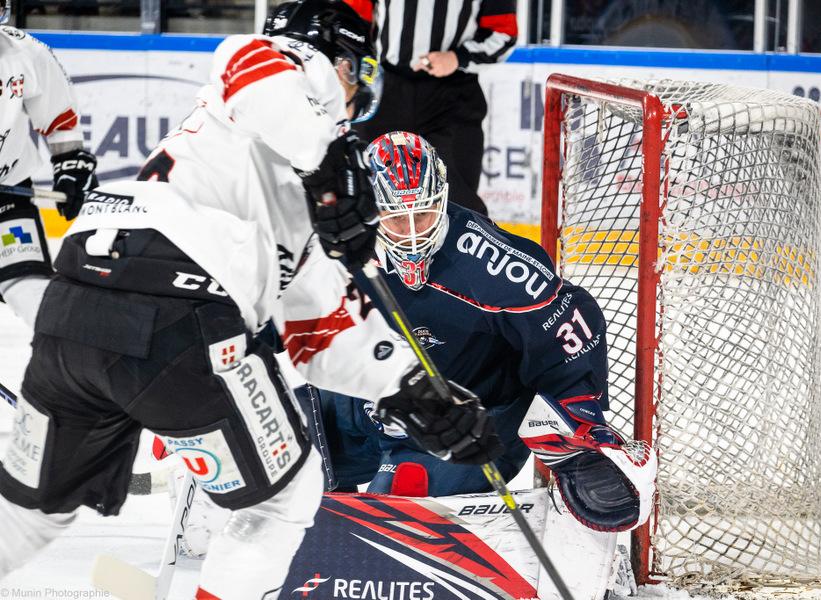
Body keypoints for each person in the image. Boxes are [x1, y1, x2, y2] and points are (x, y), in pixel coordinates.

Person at [0, 3, 500, 599]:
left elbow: (323, 328)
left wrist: (414, 391)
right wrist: (332, 162)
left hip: (75, 303)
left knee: (32, 513)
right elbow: (249, 61)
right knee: (282, 499)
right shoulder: (296, 74)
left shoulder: (272, 190)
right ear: (345, 63)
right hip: (177, 309)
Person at [320, 131, 656, 533]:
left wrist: (575, 414)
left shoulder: (492, 263)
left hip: (466, 425)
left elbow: (571, 318)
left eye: (423, 214)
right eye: (395, 218)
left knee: (391, 526)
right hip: (376, 405)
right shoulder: (340, 246)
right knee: (289, 444)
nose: (411, 233)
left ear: (442, 198)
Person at [345, 0, 518, 217]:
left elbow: (503, 32)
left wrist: (457, 58)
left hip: (453, 94)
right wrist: (352, 79)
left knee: (458, 198)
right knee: (367, 187)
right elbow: (351, 18)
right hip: (386, 90)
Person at [0, 8, 98, 326]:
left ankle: (61, 352)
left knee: (28, 288)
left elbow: (59, 119)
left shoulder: (24, 52)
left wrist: (70, 167)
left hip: (7, 192)